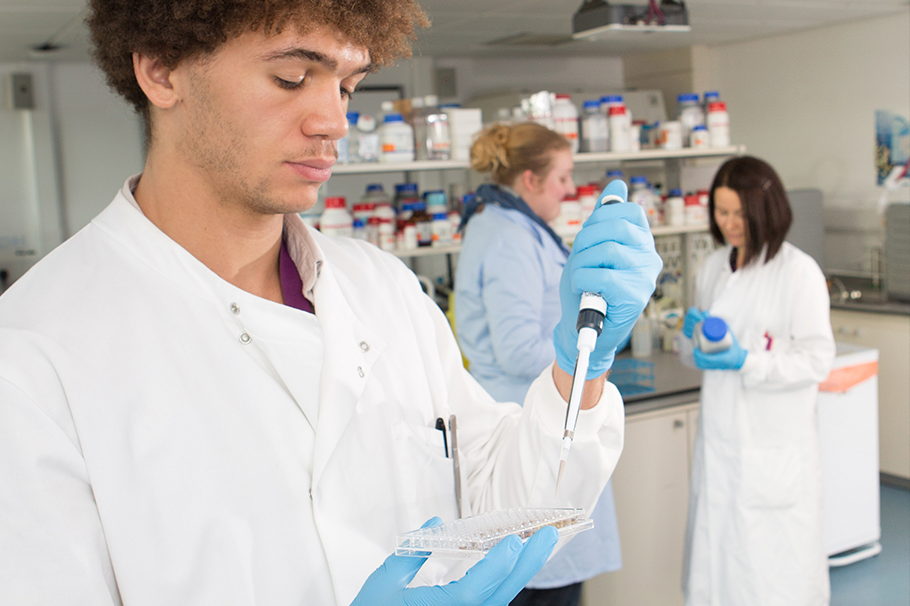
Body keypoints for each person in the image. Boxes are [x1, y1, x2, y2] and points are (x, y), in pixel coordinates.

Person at [0, 1, 664, 605]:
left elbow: (503, 504)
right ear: (161, 70)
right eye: (292, 76)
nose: (334, 122)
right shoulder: (35, 352)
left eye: (347, 85)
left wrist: (585, 363)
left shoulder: (383, 287)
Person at [455, 122, 627, 606]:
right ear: (530, 179)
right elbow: (516, 349)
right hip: (527, 424)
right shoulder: (508, 236)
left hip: (538, 421)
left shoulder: (514, 226)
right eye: (563, 177)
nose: (571, 190)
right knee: (539, 581)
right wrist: (590, 358)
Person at [678, 156, 835, 606]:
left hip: (773, 452)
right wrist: (691, 341)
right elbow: (700, 360)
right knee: (717, 568)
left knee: (772, 576)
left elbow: (816, 361)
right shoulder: (711, 269)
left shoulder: (797, 272)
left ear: (766, 210)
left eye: (739, 214)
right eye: (721, 212)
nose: (729, 224)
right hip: (719, 445)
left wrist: (748, 360)